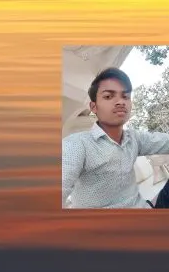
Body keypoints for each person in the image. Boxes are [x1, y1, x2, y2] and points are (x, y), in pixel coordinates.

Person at [62, 66, 169, 208]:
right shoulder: (77, 144)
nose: (120, 102)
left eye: (125, 96)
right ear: (94, 107)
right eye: (108, 96)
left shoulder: (134, 138)